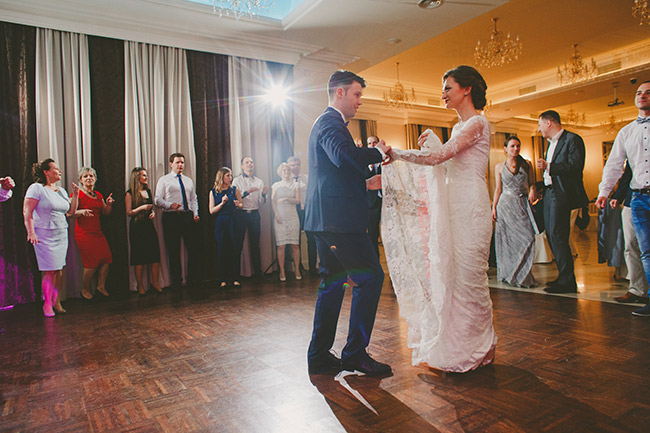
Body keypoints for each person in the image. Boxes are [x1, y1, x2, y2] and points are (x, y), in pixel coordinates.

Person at [382, 65, 497, 372]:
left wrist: (398, 153)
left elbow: (437, 158)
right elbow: (444, 163)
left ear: (466, 89)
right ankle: (460, 347)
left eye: (448, 88)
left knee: (471, 278)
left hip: (471, 206)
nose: (443, 94)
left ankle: (481, 347)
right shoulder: (458, 128)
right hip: (453, 206)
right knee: (454, 277)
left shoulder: (477, 123)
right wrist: (434, 143)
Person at [305, 70, 392, 376]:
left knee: (332, 284)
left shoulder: (328, 123)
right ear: (339, 92)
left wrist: (364, 184)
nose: (360, 101)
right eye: (356, 94)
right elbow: (343, 155)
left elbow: (335, 170)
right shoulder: (330, 121)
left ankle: (318, 356)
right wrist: (377, 152)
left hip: (327, 219)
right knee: (371, 278)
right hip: (338, 221)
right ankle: (354, 353)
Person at [596, 81, 650, 316]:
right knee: (643, 250)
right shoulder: (626, 132)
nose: (642, 96)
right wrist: (604, 192)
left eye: (648, 92)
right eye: (638, 92)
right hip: (638, 198)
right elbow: (615, 165)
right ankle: (644, 294)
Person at [535, 110, 589, 294]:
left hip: (562, 195)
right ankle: (563, 276)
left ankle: (568, 281)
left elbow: (575, 167)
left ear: (549, 123)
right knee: (551, 235)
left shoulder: (572, 140)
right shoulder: (550, 144)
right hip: (549, 193)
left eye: (540, 124)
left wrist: (549, 166)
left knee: (558, 235)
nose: (539, 129)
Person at [23, 159, 79, 317]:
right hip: (44, 233)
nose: (59, 171)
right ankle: (47, 303)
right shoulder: (37, 188)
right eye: (56, 169)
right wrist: (31, 232)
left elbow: (71, 212)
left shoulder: (61, 191)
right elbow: (27, 211)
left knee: (59, 269)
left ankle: (57, 301)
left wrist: (75, 195)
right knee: (49, 270)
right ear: (46, 172)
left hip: (61, 233)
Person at [492, 136, 538, 288]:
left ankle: (523, 274)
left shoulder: (527, 164)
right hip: (505, 206)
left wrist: (532, 190)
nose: (516, 149)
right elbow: (498, 189)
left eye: (518, 146)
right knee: (508, 242)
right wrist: (494, 207)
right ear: (505, 149)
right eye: (512, 146)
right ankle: (509, 274)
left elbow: (532, 184)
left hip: (521, 204)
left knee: (528, 238)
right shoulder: (499, 167)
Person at [155, 153, 199, 288]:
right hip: (171, 217)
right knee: (173, 250)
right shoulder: (164, 180)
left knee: (193, 248)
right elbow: (157, 199)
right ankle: (177, 282)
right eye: (177, 162)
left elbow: (193, 199)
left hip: (187, 216)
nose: (180, 165)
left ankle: (192, 279)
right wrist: (169, 205)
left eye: (182, 162)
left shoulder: (188, 180)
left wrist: (195, 213)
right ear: (171, 164)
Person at [609, 164, 649, 304]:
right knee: (631, 246)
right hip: (632, 199)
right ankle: (637, 290)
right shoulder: (633, 149)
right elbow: (628, 172)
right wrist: (618, 196)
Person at [72, 167, 114, 300]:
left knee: (107, 259)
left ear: (95, 179)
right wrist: (81, 212)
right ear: (80, 180)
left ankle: (101, 287)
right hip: (84, 233)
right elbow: (69, 213)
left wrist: (109, 204)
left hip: (97, 233)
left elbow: (105, 212)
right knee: (91, 263)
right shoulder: (78, 194)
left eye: (91, 176)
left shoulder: (98, 195)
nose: (89, 178)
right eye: (85, 176)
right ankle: (85, 289)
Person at [126, 167, 163, 296]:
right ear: (137, 178)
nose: (146, 177)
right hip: (137, 227)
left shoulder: (148, 191)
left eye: (146, 175)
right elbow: (129, 212)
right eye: (144, 175)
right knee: (139, 257)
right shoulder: (129, 193)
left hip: (148, 225)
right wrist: (141, 208)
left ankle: (155, 283)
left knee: (155, 255)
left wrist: (152, 213)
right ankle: (140, 285)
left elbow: (151, 208)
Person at [232, 156, 268, 278]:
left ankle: (258, 272)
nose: (250, 164)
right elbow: (234, 198)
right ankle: (236, 275)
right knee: (238, 244)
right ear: (242, 166)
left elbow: (261, 203)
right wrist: (247, 192)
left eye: (252, 162)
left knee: (255, 244)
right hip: (241, 214)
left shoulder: (259, 181)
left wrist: (263, 195)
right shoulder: (236, 181)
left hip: (254, 214)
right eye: (247, 162)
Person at [209, 167, 243, 288]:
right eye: (228, 175)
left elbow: (242, 204)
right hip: (221, 222)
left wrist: (239, 205)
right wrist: (222, 203)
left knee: (235, 249)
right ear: (221, 177)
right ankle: (222, 279)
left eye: (230, 175)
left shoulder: (234, 189)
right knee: (222, 250)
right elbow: (212, 210)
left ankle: (235, 278)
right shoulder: (213, 192)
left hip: (234, 221)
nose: (230, 178)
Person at [272, 162, 302, 282]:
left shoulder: (296, 184)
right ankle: (282, 271)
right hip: (280, 216)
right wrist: (277, 215)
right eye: (284, 170)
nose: (286, 172)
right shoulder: (276, 185)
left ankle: (297, 270)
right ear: (280, 172)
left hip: (293, 216)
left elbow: (298, 200)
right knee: (281, 246)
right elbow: (273, 201)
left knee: (295, 245)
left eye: (288, 170)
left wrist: (286, 199)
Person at [288, 155, 317, 276]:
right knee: (296, 241)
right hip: (293, 213)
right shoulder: (286, 180)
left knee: (312, 240)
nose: (295, 167)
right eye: (292, 165)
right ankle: (298, 268)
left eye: (297, 165)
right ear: (289, 166)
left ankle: (312, 268)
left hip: (307, 211)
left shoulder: (307, 178)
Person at [366, 136, 383, 257]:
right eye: (369, 143)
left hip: (386, 201)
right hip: (371, 203)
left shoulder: (386, 159)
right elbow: (362, 178)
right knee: (373, 233)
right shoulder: (363, 162)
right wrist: (370, 167)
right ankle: (375, 259)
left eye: (374, 142)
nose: (372, 145)